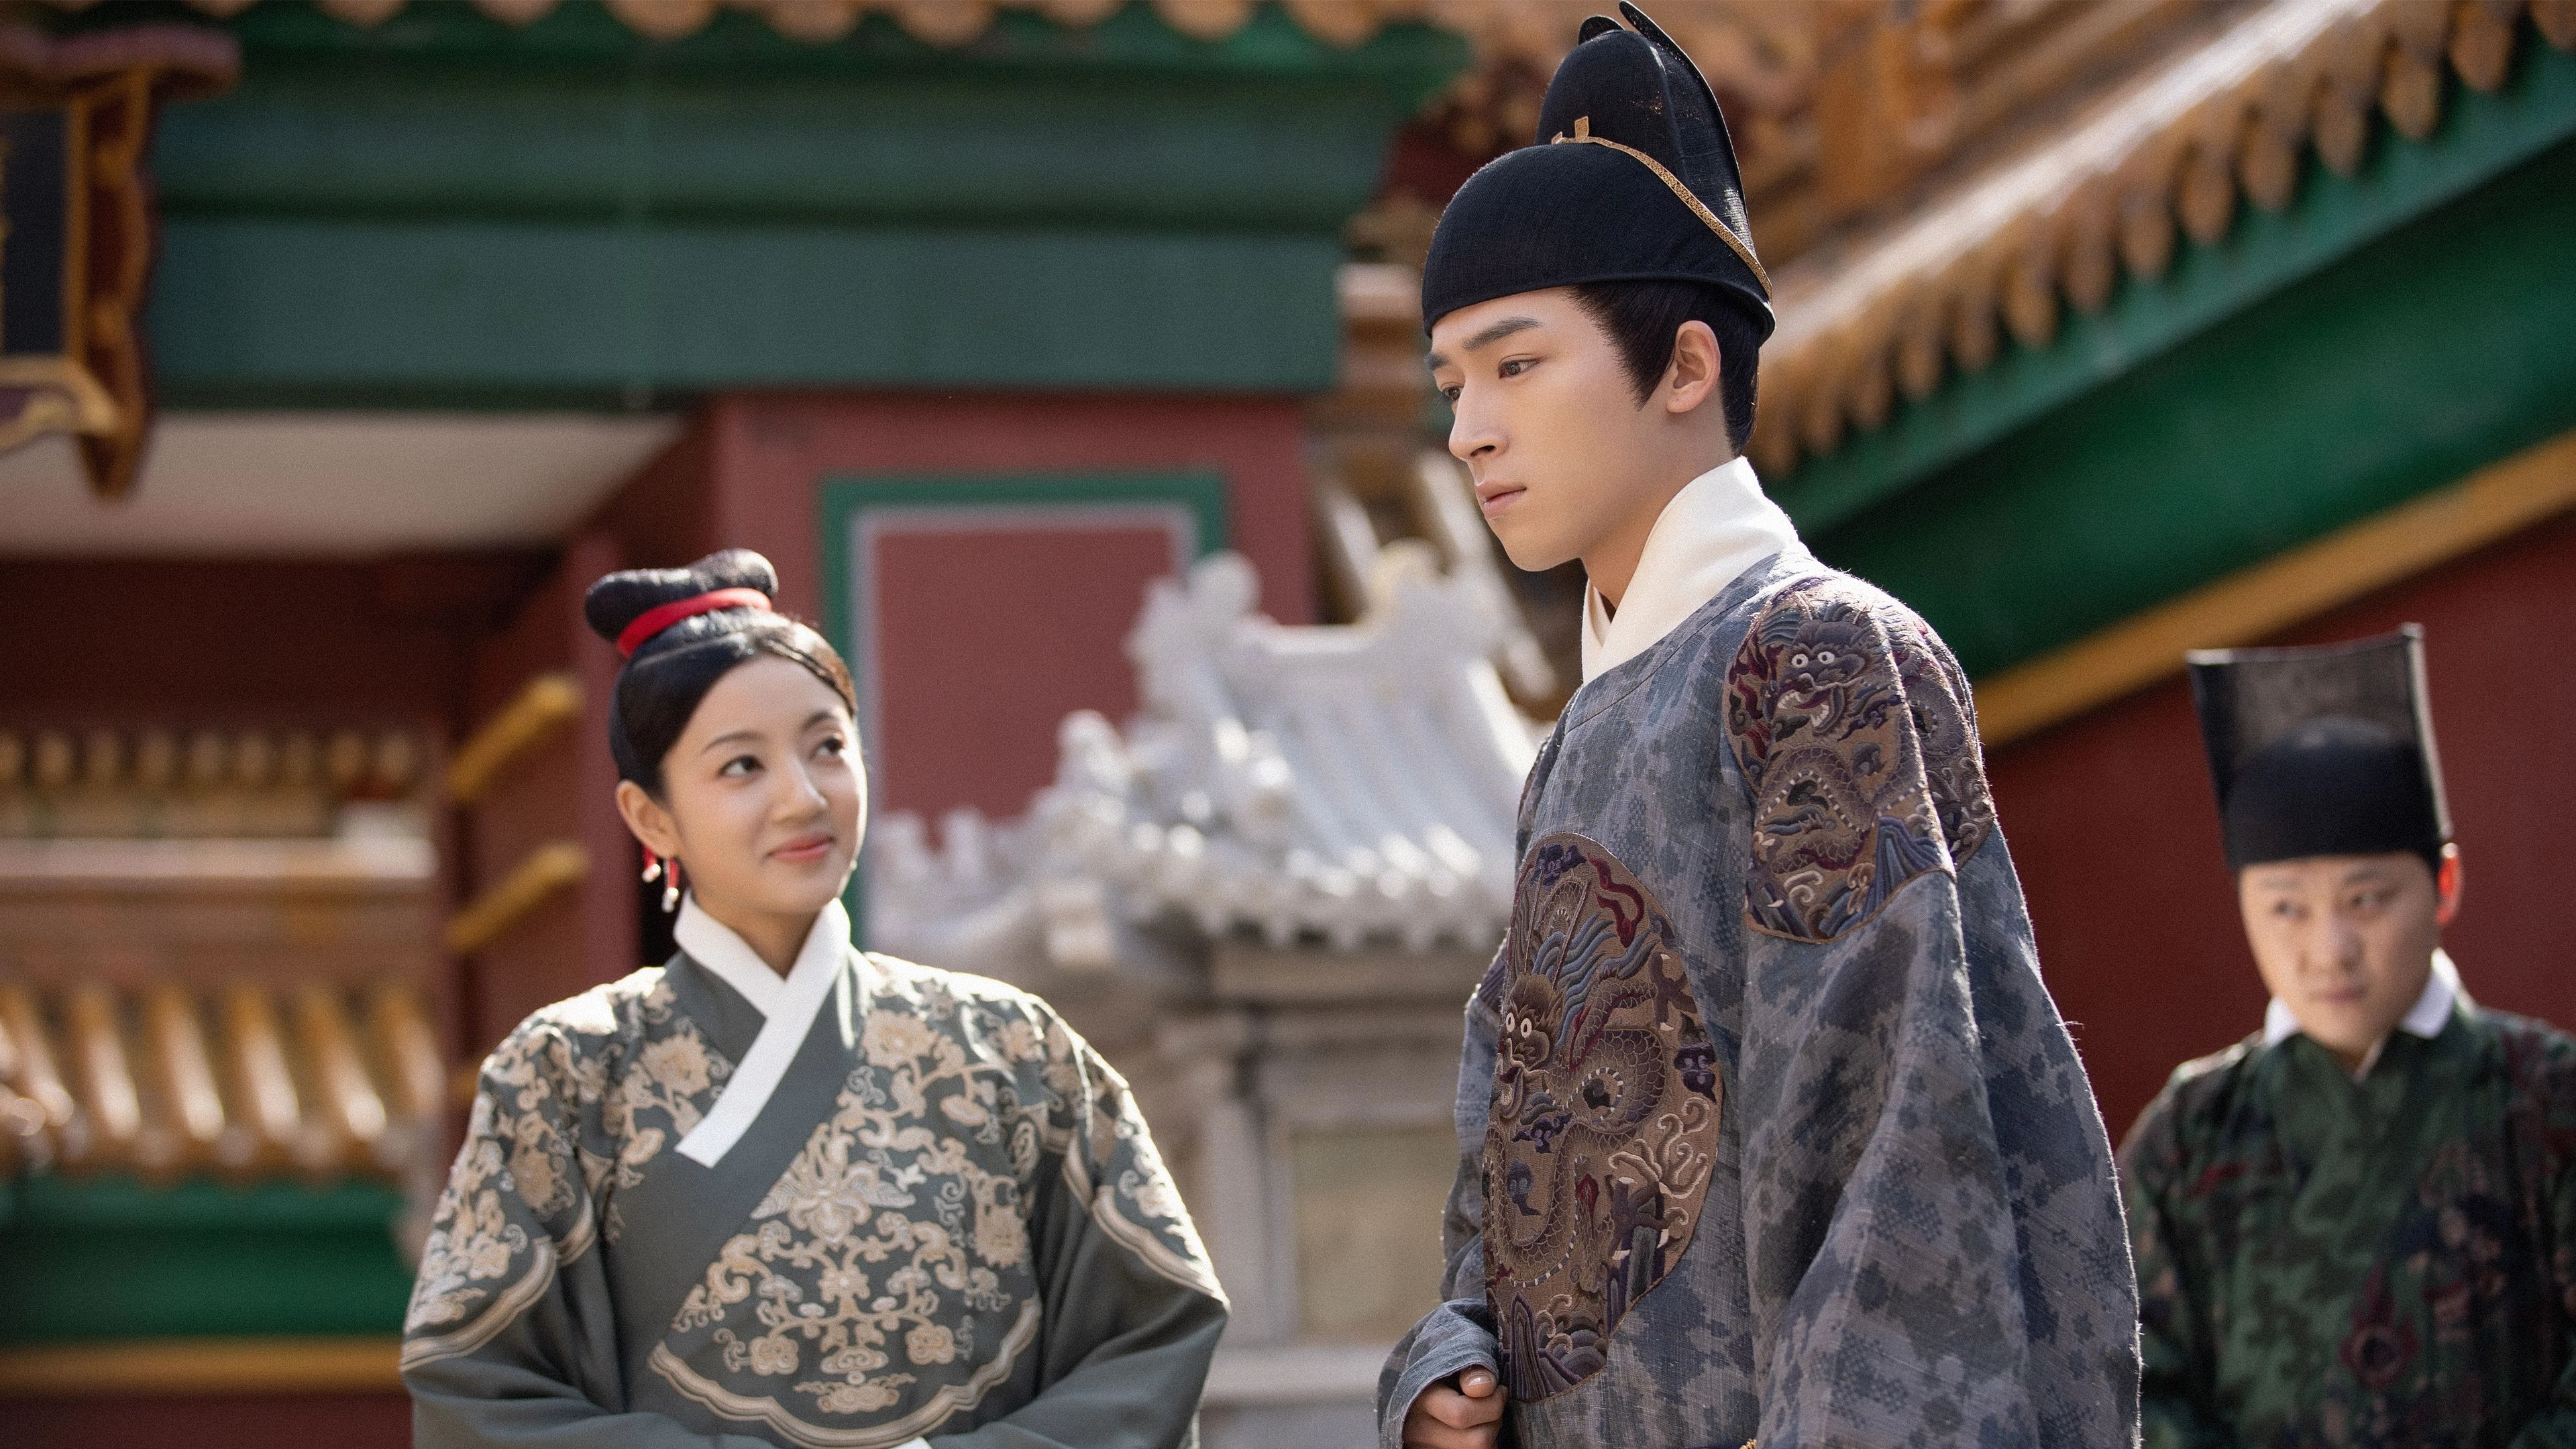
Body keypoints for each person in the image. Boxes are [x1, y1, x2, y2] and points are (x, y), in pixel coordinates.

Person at [1377, 7, 2139, 1448]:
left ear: (1683, 366)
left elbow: (1902, 1166)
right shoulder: (1580, 740)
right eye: (1450, 382)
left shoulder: (1812, 660)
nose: (1469, 428)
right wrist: (1455, 1356)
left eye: (1516, 365)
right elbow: (1512, 1160)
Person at [402, 549, 1226, 1449]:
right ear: (651, 817)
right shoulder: (564, 1074)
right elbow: (476, 1388)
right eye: (741, 766)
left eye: (828, 748)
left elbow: (1153, 1339)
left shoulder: (1014, 1051)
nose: (802, 798)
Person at [2124, 628, 2576, 1446]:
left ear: (2444, 884)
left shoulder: (2549, 1098)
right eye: (2287, 908)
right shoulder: (2187, 1138)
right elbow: (2134, 1387)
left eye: (2366, 901)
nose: (2328, 950)